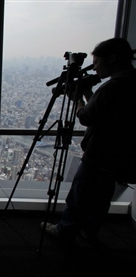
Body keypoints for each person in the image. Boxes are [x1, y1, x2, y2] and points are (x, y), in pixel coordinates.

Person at [42, 38, 136, 244]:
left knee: (80, 193)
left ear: (111, 58)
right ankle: (89, 230)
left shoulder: (113, 86)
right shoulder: (132, 81)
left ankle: (65, 231)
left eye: (97, 62)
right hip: (121, 152)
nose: (94, 67)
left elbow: (87, 117)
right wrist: (87, 93)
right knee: (102, 196)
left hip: (100, 151)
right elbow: (104, 111)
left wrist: (76, 100)